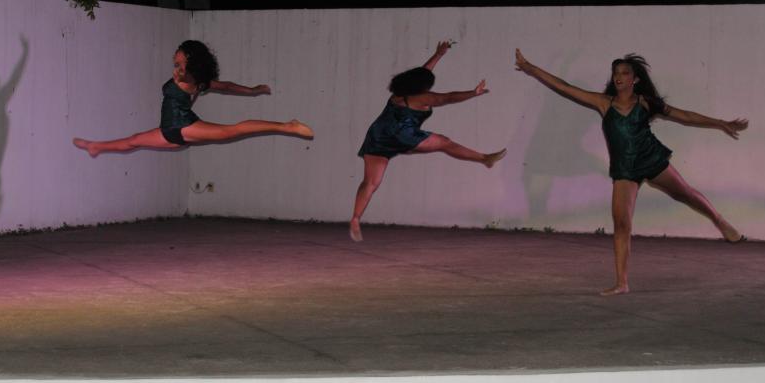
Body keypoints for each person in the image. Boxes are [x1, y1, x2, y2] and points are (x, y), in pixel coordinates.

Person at [514, 49, 747, 296]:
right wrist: (531, 69)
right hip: (625, 169)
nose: (619, 77)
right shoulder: (604, 103)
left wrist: (720, 123)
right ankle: (622, 282)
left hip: (651, 159)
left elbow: (684, 115)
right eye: (616, 73)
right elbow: (564, 86)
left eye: (625, 73)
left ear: (635, 79)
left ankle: (719, 220)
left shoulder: (645, 102)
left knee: (686, 194)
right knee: (622, 224)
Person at [350, 41, 507, 242]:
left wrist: (438, 55)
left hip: (378, 135)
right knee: (444, 142)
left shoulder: (401, 92)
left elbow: (422, 72)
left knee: (371, 182)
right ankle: (485, 158)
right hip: (402, 135)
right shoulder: (423, 98)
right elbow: (447, 98)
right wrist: (473, 93)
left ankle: (355, 218)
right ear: (422, 87)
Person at [73, 40, 312, 156]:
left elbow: (214, 83)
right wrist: (252, 90)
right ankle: (96, 147)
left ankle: (286, 125)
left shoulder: (186, 77)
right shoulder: (198, 79)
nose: (175, 55)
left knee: (233, 130)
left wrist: (252, 91)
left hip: (184, 126)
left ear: (190, 59)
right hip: (169, 130)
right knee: (134, 140)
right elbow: (226, 86)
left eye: (180, 54)